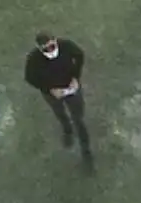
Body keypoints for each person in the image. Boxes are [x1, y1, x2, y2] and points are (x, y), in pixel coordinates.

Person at [23, 33, 91, 167]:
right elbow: (30, 78)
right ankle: (67, 130)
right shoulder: (33, 59)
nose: (50, 51)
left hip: (71, 89)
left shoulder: (66, 46)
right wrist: (49, 89)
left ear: (55, 41)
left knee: (78, 117)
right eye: (45, 49)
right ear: (39, 48)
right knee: (60, 113)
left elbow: (79, 55)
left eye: (52, 46)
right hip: (53, 94)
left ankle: (86, 151)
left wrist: (75, 78)